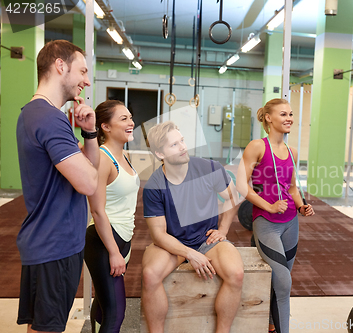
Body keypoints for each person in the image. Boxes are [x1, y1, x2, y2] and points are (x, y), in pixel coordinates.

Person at [16, 40, 100, 333]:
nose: (86, 81)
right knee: (47, 329)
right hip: (56, 245)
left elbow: (91, 168)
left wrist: (89, 133)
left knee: (41, 326)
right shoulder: (49, 119)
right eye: (82, 70)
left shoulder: (37, 113)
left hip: (50, 241)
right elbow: (89, 182)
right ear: (60, 66)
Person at [141, 121, 244, 333]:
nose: (182, 147)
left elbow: (234, 196)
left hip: (207, 240)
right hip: (172, 243)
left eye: (182, 141)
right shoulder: (154, 185)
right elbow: (159, 234)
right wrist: (190, 254)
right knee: (150, 275)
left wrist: (223, 230)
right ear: (160, 153)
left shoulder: (209, 168)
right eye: (174, 145)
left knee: (236, 274)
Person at [236, 98, 315, 333]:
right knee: (284, 281)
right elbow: (242, 185)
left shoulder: (292, 151)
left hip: (291, 222)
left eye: (290, 114)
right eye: (283, 114)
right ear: (269, 118)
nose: (289, 118)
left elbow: (292, 188)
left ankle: (271, 324)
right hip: (266, 223)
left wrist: (301, 206)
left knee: (280, 280)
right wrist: (269, 207)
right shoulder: (257, 146)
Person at [84, 100, 140, 333]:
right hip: (104, 242)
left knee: (104, 306)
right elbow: (97, 210)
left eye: (130, 117)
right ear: (105, 127)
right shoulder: (103, 159)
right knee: (116, 315)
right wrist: (114, 253)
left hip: (121, 239)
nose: (131, 123)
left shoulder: (124, 156)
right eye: (123, 119)